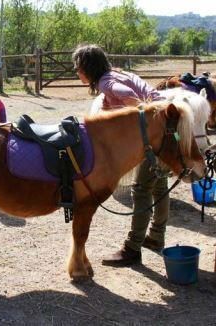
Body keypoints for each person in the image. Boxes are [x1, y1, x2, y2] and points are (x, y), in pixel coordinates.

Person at [72, 44, 166, 266]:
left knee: (142, 190)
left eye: (78, 68)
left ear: (88, 68)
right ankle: (156, 237)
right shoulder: (118, 73)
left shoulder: (106, 82)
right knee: (159, 186)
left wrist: (139, 117)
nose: (77, 73)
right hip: (163, 132)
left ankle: (132, 249)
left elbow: (131, 99)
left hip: (151, 138)